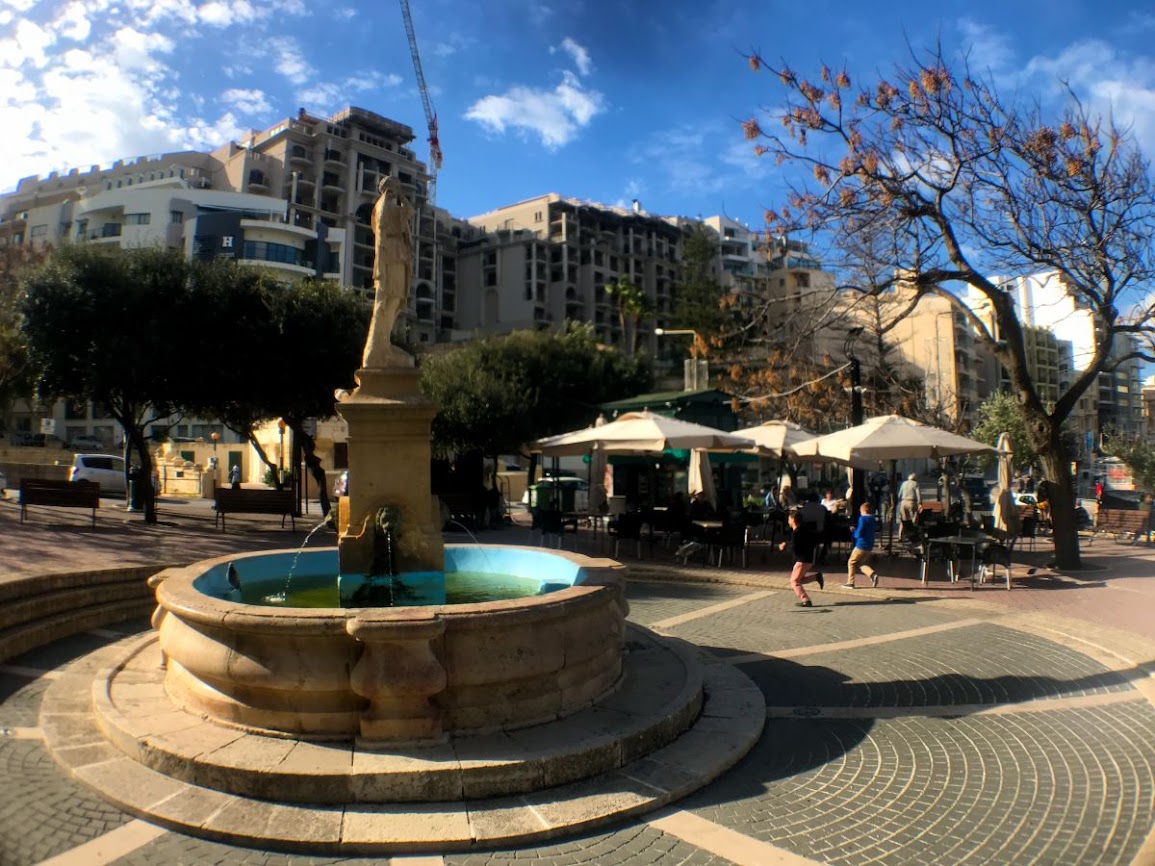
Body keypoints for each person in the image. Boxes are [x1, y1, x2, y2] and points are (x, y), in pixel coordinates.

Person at [362, 175, 415, 369]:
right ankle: (378, 350)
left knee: (394, 300)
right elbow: (383, 235)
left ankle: (383, 346)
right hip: (392, 256)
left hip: (396, 255)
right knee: (389, 300)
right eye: (397, 187)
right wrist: (381, 267)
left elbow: (408, 212)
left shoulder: (390, 204)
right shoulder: (385, 204)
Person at [779, 511, 824, 607]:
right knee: (799, 579)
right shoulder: (805, 530)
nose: (788, 521)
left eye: (789, 519)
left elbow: (795, 548)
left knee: (794, 581)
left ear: (793, 520)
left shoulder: (796, 533)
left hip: (802, 560)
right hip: (808, 558)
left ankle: (806, 600)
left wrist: (785, 547)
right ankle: (816, 577)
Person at [845, 502, 880, 589]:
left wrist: (854, 532)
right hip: (869, 545)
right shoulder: (873, 519)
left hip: (861, 544)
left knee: (851, 562)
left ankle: (850, 582)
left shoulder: (862, 519)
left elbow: (859, 532)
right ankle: (872, 574)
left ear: (864, 511)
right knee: (860, 563)